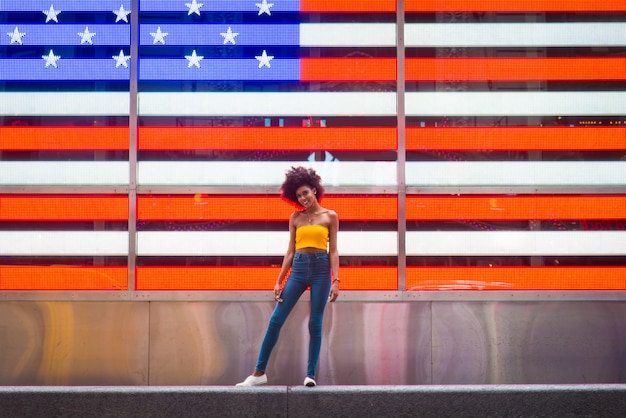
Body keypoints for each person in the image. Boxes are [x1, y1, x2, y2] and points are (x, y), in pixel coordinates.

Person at [236, 166, 340, 387]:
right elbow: (290, 251)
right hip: (299, 269)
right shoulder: (295, 218)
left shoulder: (330, 216)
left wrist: (336, 280)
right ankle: (258, 373)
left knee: (315, 323)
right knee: (275, 320)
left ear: (314, 189)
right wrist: (279, 279)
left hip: (322, 269)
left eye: (305, 193)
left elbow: (333, 251)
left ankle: (310, 375)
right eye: (299, 195)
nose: (303, 198)